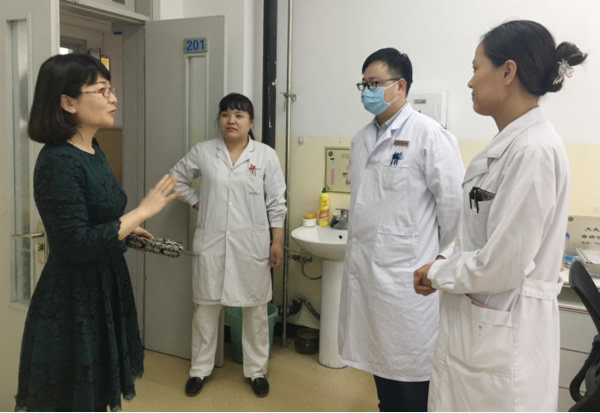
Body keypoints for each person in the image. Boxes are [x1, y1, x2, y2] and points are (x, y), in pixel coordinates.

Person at [414, 20, 587, 411]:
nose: (470, 81)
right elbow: (480, 232)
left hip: (504, 339)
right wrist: (443, 258)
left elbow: (503, 264)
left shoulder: (534, 151)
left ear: (508, 71)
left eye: (476, 68)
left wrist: (439, 272)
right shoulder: (509, 146)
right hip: (481, 330)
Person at [15, 54, 179, 411]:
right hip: (73, 296)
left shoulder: (92, 150)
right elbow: (75, 243)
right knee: (73, 398)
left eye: (111, 89)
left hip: (104, 284)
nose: (113, 98)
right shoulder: (58, 161)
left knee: (97, 393)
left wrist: (129, 230)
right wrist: (141, 211)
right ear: (68, 102)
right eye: (102, 90)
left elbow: (94, 220)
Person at [338, 48, 464, 412]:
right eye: (364, 84)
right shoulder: (361, 140)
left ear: (401, 86)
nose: (368, 91)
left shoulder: (429, 135)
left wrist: (439, 259)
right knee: (382, 375)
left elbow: (454, 209)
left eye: (375, 83)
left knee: (412, 380)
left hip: (408, 280)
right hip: (369, 277)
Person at [169, 93, 286, 398]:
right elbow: (175, 180)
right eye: (225, 114)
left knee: (255, 310)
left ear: (251, 122)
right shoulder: (204, 152)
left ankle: (256, 371)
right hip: (212, 244)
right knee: (205, 310)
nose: (231, 120)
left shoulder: (265, 156)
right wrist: (199, 202)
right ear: (219, 120)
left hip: (251, 245)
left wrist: (276, 241)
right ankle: (199, 370)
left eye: (239, 115)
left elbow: (276, 202)